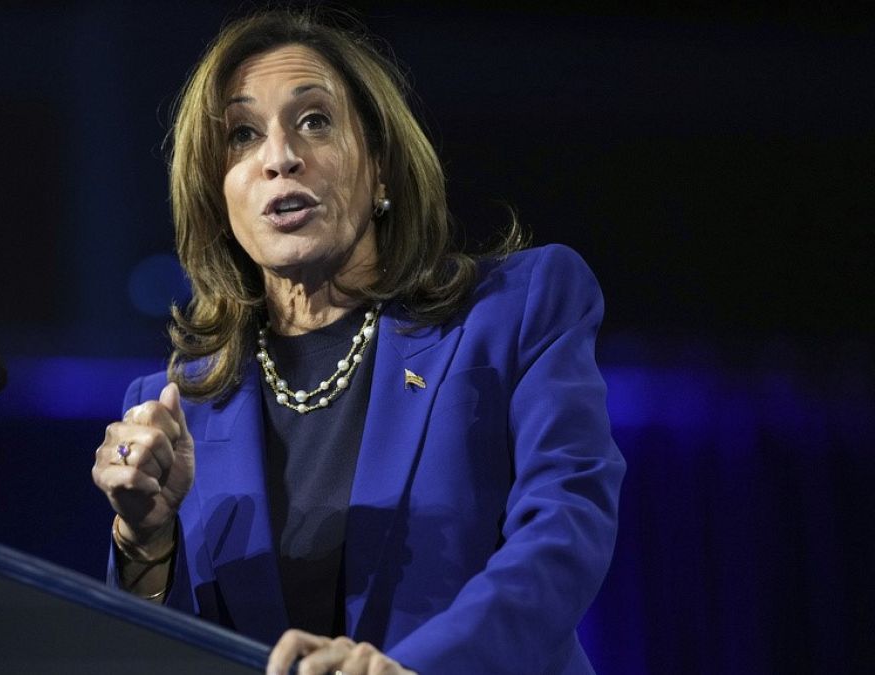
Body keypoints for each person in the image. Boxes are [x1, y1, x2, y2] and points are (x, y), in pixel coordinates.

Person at [91, 9, 625, 674]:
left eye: (314, 120)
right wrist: (144, 539)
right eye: (242, 135)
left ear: (380, 170)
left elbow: (564, 534)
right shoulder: (177, 407)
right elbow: (150, 653)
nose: (280, 157)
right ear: (216, 196)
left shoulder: (515, 313)